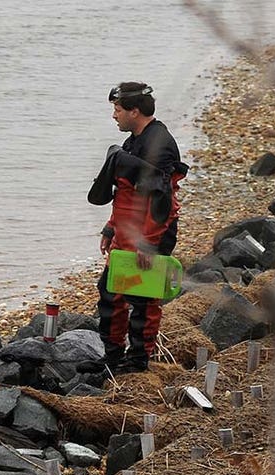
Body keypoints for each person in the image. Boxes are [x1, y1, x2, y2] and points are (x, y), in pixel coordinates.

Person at [86, 82, 188, 373]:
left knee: (142, 297)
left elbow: (163, 201)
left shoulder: (160, 144)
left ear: (134, 110)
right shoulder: (135, 138)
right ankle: (114, 355)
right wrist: (110, 227)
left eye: (117, 110)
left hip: (151, 231)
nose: (114, 116)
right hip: (128, 228)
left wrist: (149, 243)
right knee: (110, 291)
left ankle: (138, 360)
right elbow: (127, 193)